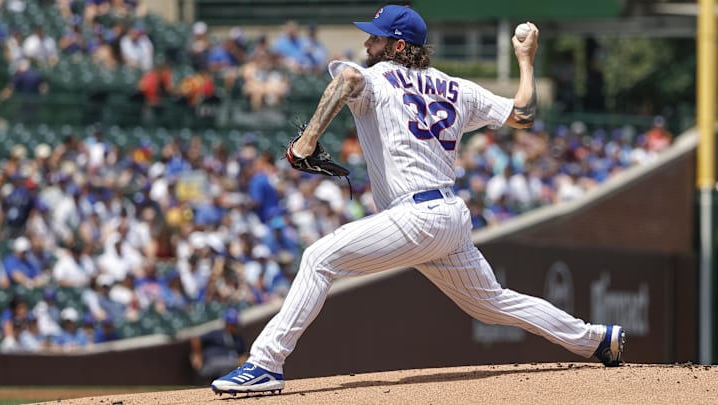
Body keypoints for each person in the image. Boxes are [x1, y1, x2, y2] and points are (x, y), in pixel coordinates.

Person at [210, 5, 625, 395]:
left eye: (375, 39)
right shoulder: (456, 87)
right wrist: (527, 59)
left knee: (319, 258)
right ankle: (595, 340)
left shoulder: (375, 78)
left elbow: (347, 80)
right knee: (492, 303)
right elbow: (524, 114)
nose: (367, 45)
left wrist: (305, 143)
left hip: (416, 216)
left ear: (398, 46)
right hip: (448, 217)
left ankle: (265, 363)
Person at [190, 308, 247, 384]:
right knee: (234, 363)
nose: (233, 327)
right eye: (231, 324)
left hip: (229, 367)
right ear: (226, 324)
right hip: (211, 363)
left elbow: (243, 355)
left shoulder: (238, 339)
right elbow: (196, 340)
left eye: (235, 325)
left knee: (235, 365)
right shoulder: (217, 334)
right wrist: (197, 355)